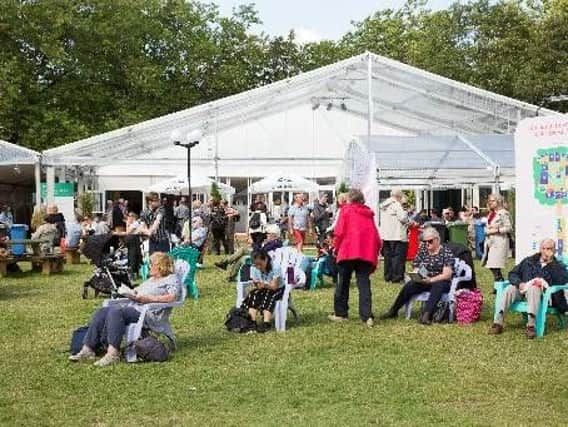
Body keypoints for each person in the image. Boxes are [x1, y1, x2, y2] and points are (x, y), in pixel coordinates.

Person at [69, 252, 180, 367]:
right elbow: (136, 291)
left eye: (151, 264)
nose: (148, 266)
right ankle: (88, 349)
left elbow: (172, 297)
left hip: (149, 313)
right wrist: (130, 293)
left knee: (116, 312)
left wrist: (148, 299)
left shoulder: (171, 279)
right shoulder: (151, 280)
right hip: (135, 308)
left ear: (160, 266)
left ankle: (113, 353)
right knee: (103, 311)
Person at [489, 239, 568, 338]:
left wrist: (551, 262)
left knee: (534, 289)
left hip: (543, 296)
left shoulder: (558, 266)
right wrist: (520, 283)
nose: (546, 251)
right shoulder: (529, 261)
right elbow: (513, 274)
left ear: (554, 250)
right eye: (543, 248)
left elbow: (562, 280)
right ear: (540, 249)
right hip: (523, 290)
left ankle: (531, 326)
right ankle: (498, 323)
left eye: (549, 249)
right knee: (510, 289)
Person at [329, 189, 381, 327]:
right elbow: (375, 235)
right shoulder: (368, 214)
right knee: (363, 284)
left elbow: (339, 232)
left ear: (350, 199)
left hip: (348, 251)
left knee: (343, 283)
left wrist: (336, 247)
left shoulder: (346, 211)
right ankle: (367, 315)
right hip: (364, 253)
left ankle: (341, 313)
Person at [381, 227, 454, 325]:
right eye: (425, 241)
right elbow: (416, 264)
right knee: (410, 285)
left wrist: (431, 280)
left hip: (440, 280)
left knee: (438, 285)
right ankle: (394, 310)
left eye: (430, 241)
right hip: (425, 279)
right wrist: (418, 275)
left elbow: (447, 275)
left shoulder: (446, 252)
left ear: (437, 240)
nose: (427, 244)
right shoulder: (423, 248)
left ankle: (426, 315)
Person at [215, 224, 282, 282]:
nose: (266, 235)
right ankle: (230, 274)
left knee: (243, 250)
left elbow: (261, 251)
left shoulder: (275, 243)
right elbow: (261, 249)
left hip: (261, 257)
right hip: (260, 255)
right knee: (241, 257)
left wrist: (253, 243)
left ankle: (225, 263)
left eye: (268, 233)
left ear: (274, 234)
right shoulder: (273, 242)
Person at [241, 249, 283, 333]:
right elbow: (257, 286)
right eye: (256, 265)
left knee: (269, 295)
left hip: (278, 289)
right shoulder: (253, 268)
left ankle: (266, 322)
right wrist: (257, 285)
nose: (258, 267)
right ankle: (252, 321)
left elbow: (274, 287)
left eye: (260, 264)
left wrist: (265, 285)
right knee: (253, 295)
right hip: (264, 288)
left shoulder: (275, 267)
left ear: (266, 259)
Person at [379, 189, 409, 284]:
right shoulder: (397, 205)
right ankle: (397, 277)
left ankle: (388, 276)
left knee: (388, 257)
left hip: (386, 235)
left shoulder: (384, 205)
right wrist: (405, 210)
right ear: (399, 197)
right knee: (398, 257)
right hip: (397, 235)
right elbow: (403, 218)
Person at [482, 193, 511, 282]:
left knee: (494, 264)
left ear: (498, 201)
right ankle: (498, 283)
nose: (490, 202)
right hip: (491, 242)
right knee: (491, 264)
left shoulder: (503, 213)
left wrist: (496, 230)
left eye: (493, 200)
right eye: (489, 201)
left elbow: (509, 228)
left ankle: (499, 283)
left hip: (499, 242)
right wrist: (487, 229)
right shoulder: (492, 213)